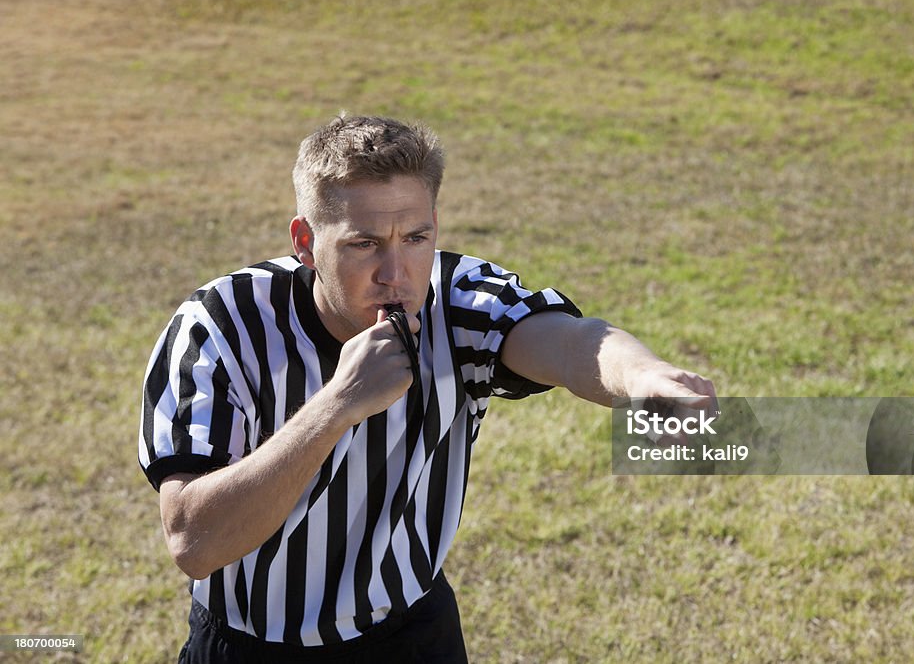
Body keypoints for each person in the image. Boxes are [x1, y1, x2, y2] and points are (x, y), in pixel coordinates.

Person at [139, 112, 717, 662]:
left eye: (415, 237)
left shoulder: (456, 297)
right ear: (305, 241)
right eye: (364, 244)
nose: (396, 274)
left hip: (412, 636)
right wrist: (337, 405)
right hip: (250, 646)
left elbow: (568, 343)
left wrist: (643, 377)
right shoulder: (221, 325)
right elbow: (193, 541)